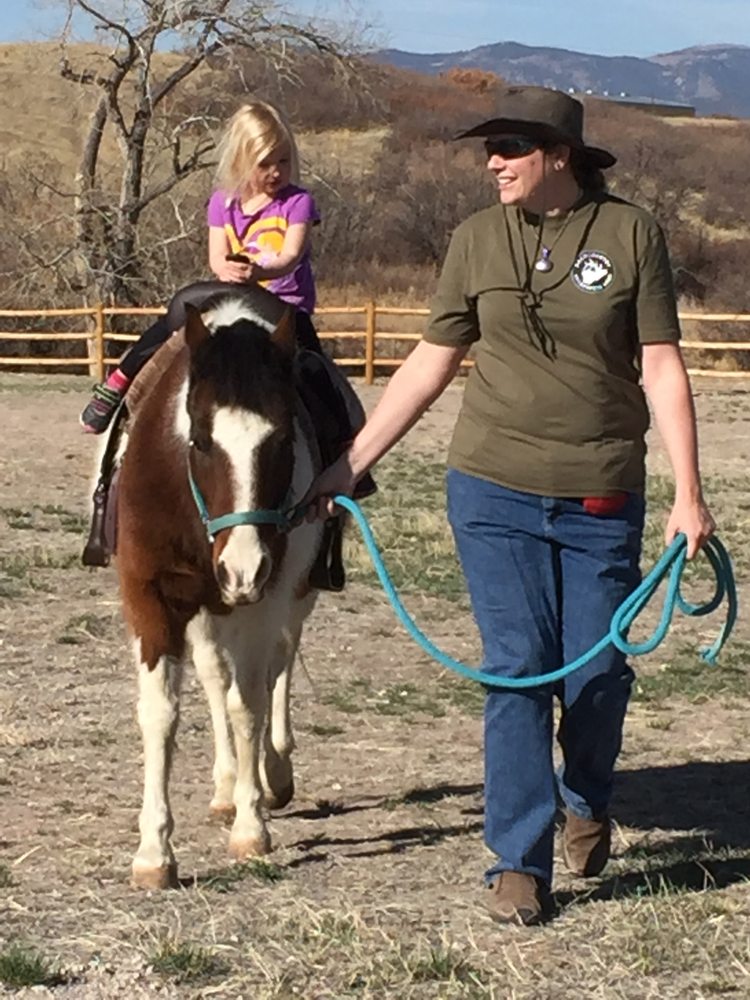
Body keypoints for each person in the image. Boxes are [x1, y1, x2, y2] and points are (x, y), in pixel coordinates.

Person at [305, 86, 715, 924]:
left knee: (597, 673)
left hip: (600, 489)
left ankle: (586, 796)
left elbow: (663, 367)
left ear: (559, 155)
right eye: (489, 149)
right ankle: (517, 861)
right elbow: (430, 361)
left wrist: (689, 495)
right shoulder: (475, 239)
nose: (493, 162)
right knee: (518, 670)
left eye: (512, 148)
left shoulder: (630, 234)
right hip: (490, 487)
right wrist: (350, 463)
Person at [80, 100, 348, 440]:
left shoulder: (298, 203)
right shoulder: (222, 203)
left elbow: (291, 256)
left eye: (283, 160)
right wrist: (229, 270)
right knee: (177, 313)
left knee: (316, 369)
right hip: (232, 293)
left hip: (282, 305)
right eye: (265, 163)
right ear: (242, 160)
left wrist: (258, 273)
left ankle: (344, 443)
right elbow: (217, 258)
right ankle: (119, 382)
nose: (276, 171)